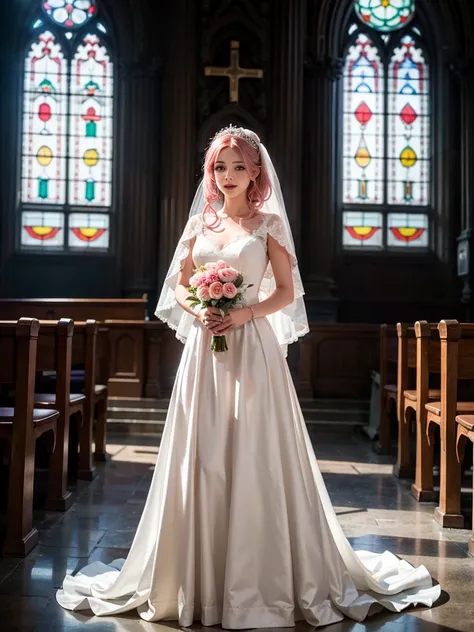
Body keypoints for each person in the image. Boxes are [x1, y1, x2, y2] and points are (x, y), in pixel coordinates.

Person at [56, 126, 440, 628]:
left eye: (238, 166)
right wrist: (202, 309)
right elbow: (178, 285)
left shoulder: (269, 225)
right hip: (205, 351)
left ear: (256, 171)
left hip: (252, 346)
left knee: (254, 448)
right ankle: (195, 575)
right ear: (210, 173)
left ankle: (257, 578)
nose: (228, 175)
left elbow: (286, 293)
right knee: (203, 451)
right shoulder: (200, 223)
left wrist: (241, 314)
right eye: (220, 166)